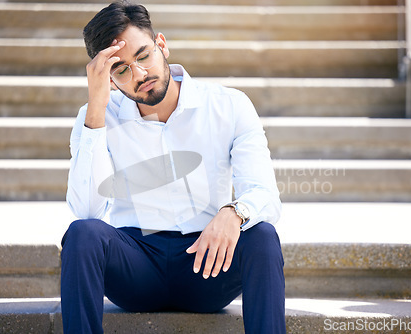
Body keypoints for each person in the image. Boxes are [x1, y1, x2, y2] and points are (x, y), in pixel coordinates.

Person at [62, 1, 285, 333]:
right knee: (81, 235)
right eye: (121, 69)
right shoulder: (96, 115)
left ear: (161, 45)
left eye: (143, 56)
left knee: (263, 236)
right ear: (107, 78)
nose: (139, 74)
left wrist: (234, 212)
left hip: (207, 262)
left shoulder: (228, 106)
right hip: (135, 266)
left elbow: (265, 193)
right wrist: (96, 110)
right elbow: (86, 211)